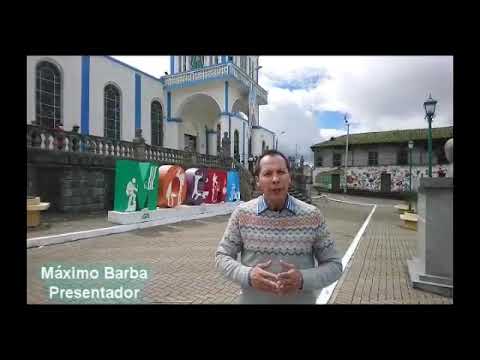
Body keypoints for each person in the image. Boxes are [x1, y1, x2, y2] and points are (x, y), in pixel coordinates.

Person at [215, 149, 342, 304]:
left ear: (289, 178)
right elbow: (222, 257)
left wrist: (302, 279)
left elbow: (334, 266)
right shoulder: (242, 214)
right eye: (267, 174)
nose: (275, 179)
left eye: (281, 172)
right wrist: (248, 275)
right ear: (257, 180)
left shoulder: (312, 215)